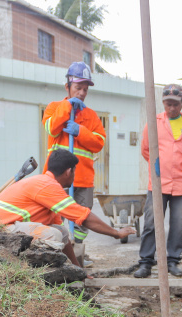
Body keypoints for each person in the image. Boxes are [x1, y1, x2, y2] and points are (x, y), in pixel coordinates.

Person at [0, 149, 133, 267]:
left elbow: (64, 236)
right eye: (75, 171)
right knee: (53, 236)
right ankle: (41, 275)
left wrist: (76, 268)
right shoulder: (48, 186)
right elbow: (83, 217)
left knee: (60, 231)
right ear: (69, 171)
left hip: (3, 227)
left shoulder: (44, 185)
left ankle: (63, 271)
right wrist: (116, 233)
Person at [134, 84, 182, 278]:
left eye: (175, 104)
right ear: (163, 103)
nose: (171, 108)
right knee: (151, 223)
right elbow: (146, 150)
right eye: (168, 104)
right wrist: (160, 166)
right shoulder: (153, 123)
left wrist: (181, 166)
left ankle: (173, 260)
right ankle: (146, 262)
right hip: (158, 182)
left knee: (177, 224)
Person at [42, 61, 106, 249]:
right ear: (67, 87)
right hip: (58, 176)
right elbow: (52, 129)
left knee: (83, 216)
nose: (82, 93)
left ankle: (77, 248)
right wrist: (67, 107)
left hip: (83, 178)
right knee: (55, 215)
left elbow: (98, 143)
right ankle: (60, 249)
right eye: (78, 88)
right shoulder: (54, 108)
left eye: (85, 89)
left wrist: (80, 131)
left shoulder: (92, 116)